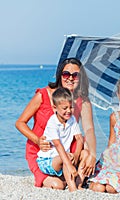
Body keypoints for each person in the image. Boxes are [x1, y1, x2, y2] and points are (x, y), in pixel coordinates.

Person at [16, 58, 97, 189]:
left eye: (75, 75)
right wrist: (37, 140)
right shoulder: (43, 95)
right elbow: (20, 123)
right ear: (60, 75)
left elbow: (89, 130)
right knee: (58, 185)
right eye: (66, 74)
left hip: (67, 151)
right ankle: (65, 179)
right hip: (42, 151)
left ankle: (76, 182)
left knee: (86, 154)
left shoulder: (84, 101)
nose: (70, 78)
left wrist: (91, 154)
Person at [37, 87, 85, 192]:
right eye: (65, 108)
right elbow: (58, 145)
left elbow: (79, 139)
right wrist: (70, 166)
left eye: (71, 107)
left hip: (64, 156)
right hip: (47, 160)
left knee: (84, 153)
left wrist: (76, 156)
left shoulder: (71, 120)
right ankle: (73, 189)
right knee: (67, 157)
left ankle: (78, 184)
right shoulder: (52, 123)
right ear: (55, 108)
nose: (68, 111)